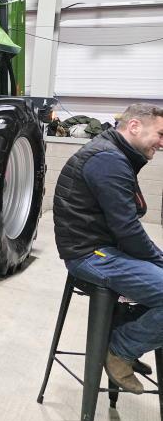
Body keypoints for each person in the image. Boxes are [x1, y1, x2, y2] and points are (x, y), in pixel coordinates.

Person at [53, 103, 163, 394]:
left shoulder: (115, 154)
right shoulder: (108, 160)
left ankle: (125, 335)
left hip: (102, 247)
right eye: (160, 134)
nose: (162, 142)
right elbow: (127, 229)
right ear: (135, 126)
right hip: (90, 254)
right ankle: (121, 349)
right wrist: (159, 259)